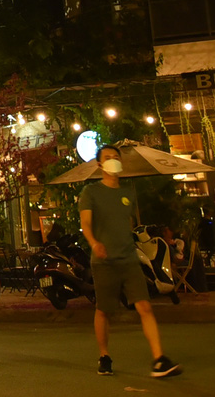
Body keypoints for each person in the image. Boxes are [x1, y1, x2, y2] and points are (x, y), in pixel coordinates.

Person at [77, 145, 180, 378]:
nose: (112, 161)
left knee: (144, 306)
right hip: (104, 262)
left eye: (116, 158)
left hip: (128, 258)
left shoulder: (128, 193)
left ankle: (159, 359)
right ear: (99, 164)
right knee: (104, 310)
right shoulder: (91, 192)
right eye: (107, 158)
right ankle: (104, 355)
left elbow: (129, 224)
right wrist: (94, 243)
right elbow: (86, 223)